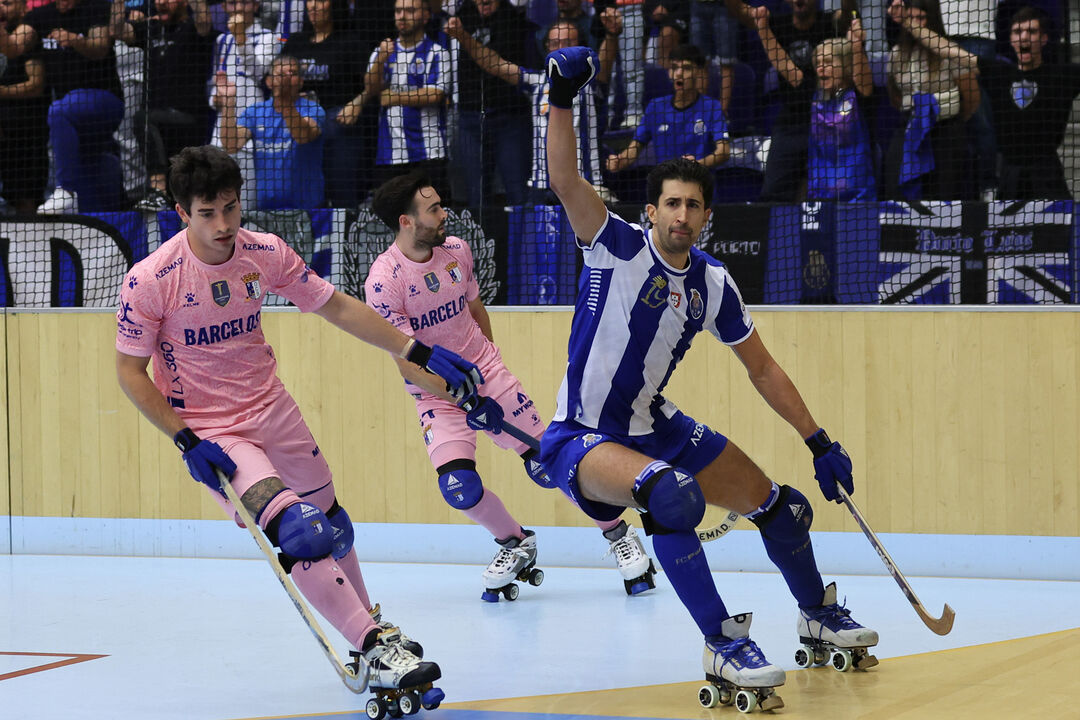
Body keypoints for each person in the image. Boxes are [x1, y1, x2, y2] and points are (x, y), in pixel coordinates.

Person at [541, 46, 879, 703]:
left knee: (785, 510)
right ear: (651, 211)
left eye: (693, 205)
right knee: (674, 498)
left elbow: (763, 368)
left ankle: (818, 615)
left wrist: (819, 440)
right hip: (581, 436)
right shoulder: (613, 245)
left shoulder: (713, 283)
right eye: (671, 203)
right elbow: (564, 179)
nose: (682, 215)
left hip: (656, 426)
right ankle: (723, 644)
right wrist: (559, 98)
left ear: (706, 216)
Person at [114, 144, 483, 695]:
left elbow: (336, 305)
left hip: (273, 408)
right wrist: (185, 438)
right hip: (215, 433)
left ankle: (371, 626)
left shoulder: (262, 251)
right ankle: (374, 647)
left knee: (333, 523)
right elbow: (130, 372)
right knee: (300, 531)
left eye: (231, 208)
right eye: (207, 213)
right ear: (182, 213)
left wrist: (416, 350)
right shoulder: (152, 279)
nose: (223, 225)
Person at [365, 171, 658, 600]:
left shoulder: (456, 251)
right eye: (434, 209)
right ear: (406, 221)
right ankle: (515, 542)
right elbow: (408, 367)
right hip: (437, 397)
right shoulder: (384, 281)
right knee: (458, 487)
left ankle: (619, 535)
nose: (444, 214)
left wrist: (489, 370)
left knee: (549, 464)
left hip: (485, 374)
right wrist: (462, 399)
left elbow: (476, 311)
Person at [444, 9, 621, 204]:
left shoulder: (590, 82)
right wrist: (463, 36)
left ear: (581, 46)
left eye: (568, 42)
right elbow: (494, 64)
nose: (561, 49)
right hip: (541, 185)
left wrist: (612, 34)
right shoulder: (537, 81)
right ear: (546, 48)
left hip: (582, 182)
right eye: (555, 43)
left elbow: (604, 62)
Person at [726, 0, 871, 202]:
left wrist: (856, 46)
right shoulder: (810, 90)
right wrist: (763, 29)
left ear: (846, 67)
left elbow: (864, 83)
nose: (821, 68)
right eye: (817, 63)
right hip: (818, 177)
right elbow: (783, 64)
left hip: (853, 187)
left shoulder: (857, 95)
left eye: (828, 62)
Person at [336, 0, 452, 202]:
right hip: (390, 154)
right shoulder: (382, 51)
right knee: (391, 215)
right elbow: (371, 88)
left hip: (429, 153)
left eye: (410, 10)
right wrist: (381, 58)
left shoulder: (437, 53)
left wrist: (393, 97)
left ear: (426, 16)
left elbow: (436, 94)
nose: (402, 16)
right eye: (398, 11)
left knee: (432, 211)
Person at [109, 0, 219, 211]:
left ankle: (157, 189)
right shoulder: (152, 28)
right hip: (157, 125)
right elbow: (117, 31)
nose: (161, 3)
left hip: (188, 120)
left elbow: (204, 22)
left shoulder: (194, 29)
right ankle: (162, 196)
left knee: (142, 119)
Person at [19, 0, 125, 214]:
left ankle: (65, 190)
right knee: (89, 162)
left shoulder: (95, 8)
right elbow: (15, 45)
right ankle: (103, 214)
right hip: (71, 113)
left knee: (58, 111)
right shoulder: (40, 16)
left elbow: (99, 48)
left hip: (104, 101)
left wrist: (76, 40)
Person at [978, 5, 1080, 200]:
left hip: (1047, 176)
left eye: (1031, 31)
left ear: (1044, 39)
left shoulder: (1062, 76)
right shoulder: (998, 74)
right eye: (1018, 31)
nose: (1024, 37)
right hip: (1010, 178)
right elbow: (952, 52)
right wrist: (913, 26)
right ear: (1011, 39)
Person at [884, 0, 980, 200]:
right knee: (897, 192)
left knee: (943, 198)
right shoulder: (896, 54)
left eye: (921, 18)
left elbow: (972, 97)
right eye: (910, 18)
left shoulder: (951, 52)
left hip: (946, 133)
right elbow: (895, 97)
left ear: (932, 20)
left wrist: (948, 119)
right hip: (910, 131)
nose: (915, 24)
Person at [605, 43, 730, 194]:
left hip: (700, 188)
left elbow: (723, 151)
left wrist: (696, 165)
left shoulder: (711, 107)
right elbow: (634, 149)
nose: (679, 74)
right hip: (665, 190)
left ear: (698, 72)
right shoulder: (655, 107)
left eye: (686, 68)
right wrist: (620, 160)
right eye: (674, 68)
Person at [447, 0, 535, 209]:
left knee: (517, 193)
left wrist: (462, 36)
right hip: (470, 118)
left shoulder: (514, 17)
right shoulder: (462, 14)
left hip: (510, 117)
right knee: (476, 197)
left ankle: (522, 230)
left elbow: (494, 63)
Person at [282, 0, 367, 207]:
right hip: (300, 124)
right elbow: (275, 78)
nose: (313, 6)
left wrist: (358, 102)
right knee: (305, 194)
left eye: (320, 1)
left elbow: (372, 85)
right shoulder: (295, 42)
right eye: (310, 1)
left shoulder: (350, 42)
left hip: (338, 122)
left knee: (342, 196)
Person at [215, 53, 326, 210]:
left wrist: (285, 101)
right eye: (280, 74)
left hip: (308, 209)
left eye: (292, 73)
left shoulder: (313, 109)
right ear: (269, 81)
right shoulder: (255, 112)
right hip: (267, 209)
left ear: (301, 82)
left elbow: (302, 136)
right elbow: (231, 145)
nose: (286, 77)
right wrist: (228, 102)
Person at [207, 0, 279, 210]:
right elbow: (215, 81)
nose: (238, 8)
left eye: (244, 2)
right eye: (232, 3)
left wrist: (240, 38)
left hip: (252, 136)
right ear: (223, 7)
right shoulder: (222, 40)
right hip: (221, 133)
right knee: (216, 202)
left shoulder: (268, 38)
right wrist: (215, 99)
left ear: (255, 6)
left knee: (245, 207)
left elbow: (258, 73)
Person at [0, 0, 50, 215]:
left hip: (27, 131)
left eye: (7, 3)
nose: (1, 7)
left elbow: (35, 85)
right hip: (5, 132)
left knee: (25, 199)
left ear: (23, 7)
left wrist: (2, 92)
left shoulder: (29, 37)